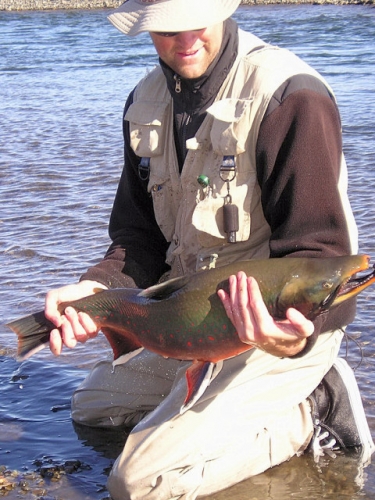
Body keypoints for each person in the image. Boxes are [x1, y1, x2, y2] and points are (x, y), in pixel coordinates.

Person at [44, 0, 374, 498]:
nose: (184, 40)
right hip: (190, 324)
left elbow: (323, 257)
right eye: (165, 27)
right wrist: (97, 287)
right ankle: (213, 410)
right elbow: (138, 241)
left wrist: (289, 338)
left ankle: (315, 408)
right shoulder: (144, 101)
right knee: (95, 408)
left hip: (280, 333)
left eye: (195, 18)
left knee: (139, 482)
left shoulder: (290, 97)